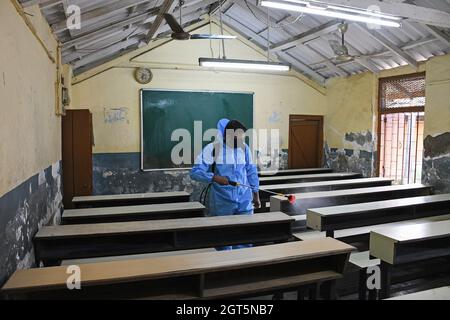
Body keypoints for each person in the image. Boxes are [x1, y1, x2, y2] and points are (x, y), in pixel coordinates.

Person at [190, 118, 261, 251]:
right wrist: (215, 178)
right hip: (222, 201)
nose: (240, 141)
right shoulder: (213, 149)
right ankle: (225, 267)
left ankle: (242, 266)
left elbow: (251, 171)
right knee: (223, 238)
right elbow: (195, 172)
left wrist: (256, 194)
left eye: (242, 138)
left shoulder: (244, 149)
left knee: (244, 237)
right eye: (237, 138)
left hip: (244, 200)